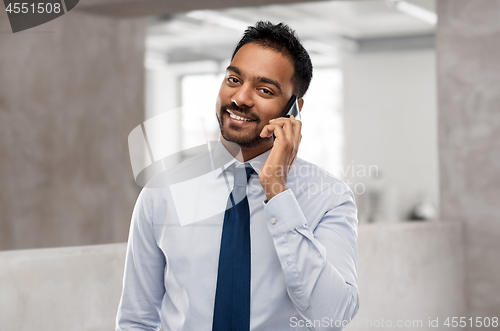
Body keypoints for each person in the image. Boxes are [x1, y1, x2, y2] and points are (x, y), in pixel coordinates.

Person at [116, 21, 359, 331]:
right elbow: (138, 319)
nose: (241, 98)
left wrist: (276, 190)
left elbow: (333, 316)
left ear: (293, 110)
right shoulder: (162, 192)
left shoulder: (329, 197)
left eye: (264, 89)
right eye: (234, 79)